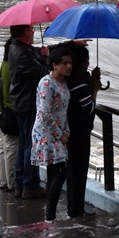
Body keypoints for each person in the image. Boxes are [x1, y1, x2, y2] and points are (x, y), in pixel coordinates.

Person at [8, 24, 84, 199]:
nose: (34, 32)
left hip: (20, 102)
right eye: (32, 29)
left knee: (23, 144)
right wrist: (44, 59)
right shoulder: (22, 54)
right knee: (28, 145)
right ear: (26, 32)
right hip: (27, 104)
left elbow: (47, 51)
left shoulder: (20, 48)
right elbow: (44, 72)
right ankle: (30, 184)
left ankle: (20, 182)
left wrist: (70, 43)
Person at [31, 46, 72, 221]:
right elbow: (44, 113)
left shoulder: (63, 82)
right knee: (60, 171)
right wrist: (59, 134)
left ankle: (50, 214)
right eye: (65, 63)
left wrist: (67, 131)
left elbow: (63, 110)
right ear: (54, 65)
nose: (69, 66)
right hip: (46, 134)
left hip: (59, 132)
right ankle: (50, 214)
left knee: (56, 171)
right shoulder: (46, 83)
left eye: (70, 63)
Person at [66, 45, 101, 218]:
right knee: (79, 171)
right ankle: (76, 209)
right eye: (87, 61)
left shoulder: (70, 79)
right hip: (79, 133)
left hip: (70, 131)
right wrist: (94, 88)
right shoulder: (79, 84)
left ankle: (73, 206)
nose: (88, 64)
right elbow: (88, 108)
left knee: (72, 170)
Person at [0, 37, 18, 192]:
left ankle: (4, 180)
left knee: (3, 146)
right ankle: (12, 183)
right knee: (11, 146)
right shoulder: (11, 66)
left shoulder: (4, 62)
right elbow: (11, 93)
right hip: (8, 111)